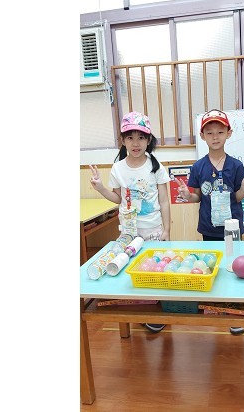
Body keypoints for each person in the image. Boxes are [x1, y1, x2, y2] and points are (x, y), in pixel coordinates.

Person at [176, 108, 244, 335]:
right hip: (209, 228)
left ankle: (235, 311)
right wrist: (187, 195)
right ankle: (216, 308)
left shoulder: (236, 165)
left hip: (232, 228)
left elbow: (237, 197)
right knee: (212, 267)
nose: (215, 137)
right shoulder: (198, 167)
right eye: (210, 132)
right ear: (202, 136)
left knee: (236, 268)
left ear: (228, 133)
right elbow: (197, 197)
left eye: (220, 132)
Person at [89, 111, 170, 334]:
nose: (136, 143)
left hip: (153, 229)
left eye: (141, 137)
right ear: (123, 140)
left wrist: (167, 229)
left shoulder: (155, 166)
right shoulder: (118, 168)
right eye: (130, 137)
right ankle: (138, 311)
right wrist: (100, 188)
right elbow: (118, 198)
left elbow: (164, 200)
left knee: (154, 270)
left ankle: (157, 312)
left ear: (148, 140)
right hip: (129, 231)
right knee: (129, 269)